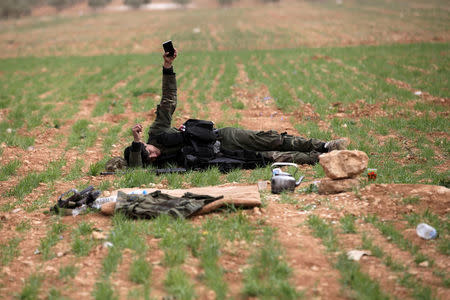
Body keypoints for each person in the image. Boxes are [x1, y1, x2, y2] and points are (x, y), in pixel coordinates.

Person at [124, 49, 348, 170]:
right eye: (149, 159)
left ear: (146, 142)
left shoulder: (158, 133)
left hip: (225, 136)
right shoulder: (152, 162)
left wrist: (167, 68)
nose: (154, 156)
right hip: (224, 156)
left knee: (272, 139)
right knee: (273, 157)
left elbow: (168, 101)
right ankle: (321, 157)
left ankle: (323, 145)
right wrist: (136, 146)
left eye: (149, 151)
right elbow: (134, 165)